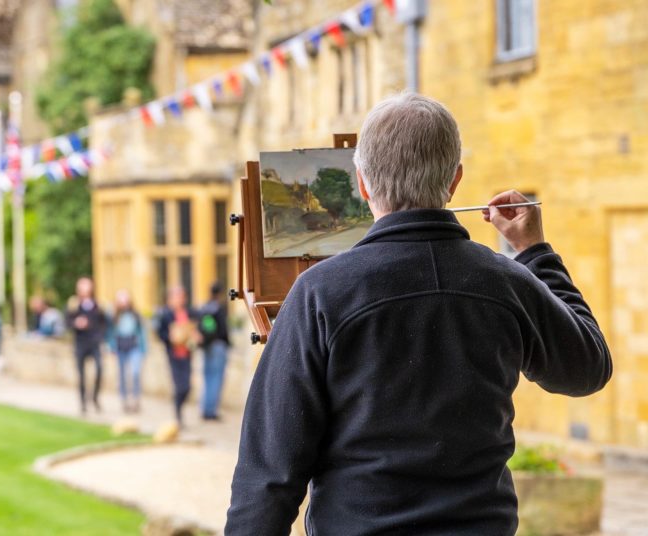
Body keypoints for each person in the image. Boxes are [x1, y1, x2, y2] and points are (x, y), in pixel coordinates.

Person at [226, 94, 612, 535]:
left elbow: (268, 477)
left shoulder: (319, 292)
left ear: (363, 184)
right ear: (455, 181)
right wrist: (536, 253)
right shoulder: (504, 281)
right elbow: (587, 368)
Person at [157, 286, 198, 426]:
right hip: (174, 354)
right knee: (179, 386)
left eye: (182, 296)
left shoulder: (189, 312)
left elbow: (197, 327)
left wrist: (195, 335)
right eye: (177, 296)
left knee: (187, 387)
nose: (180, 299)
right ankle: (178, 413)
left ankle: (179, 407)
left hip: (186, 353)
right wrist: (170, 337)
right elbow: (160, 333)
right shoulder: (166, 314)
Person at [66, 277, 107, 414]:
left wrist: (101, 337)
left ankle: (94, 397)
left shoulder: (97, 305)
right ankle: (83, 403)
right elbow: (67, 322)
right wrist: (76, 323)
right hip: (80, 343)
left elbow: (104, 324)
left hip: (94, 343)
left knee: (100, 369)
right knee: (81, 375)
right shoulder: (74, 305)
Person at [107, 289, 147, 413]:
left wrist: (144, 349)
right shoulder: (114, 316)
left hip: (134, 346)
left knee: (135, 373)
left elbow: (142, 332)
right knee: (122, 375)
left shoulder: (135, 315)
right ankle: (124, 400)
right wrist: (111, 347)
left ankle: (136, 398)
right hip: (120, 347)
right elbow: (110, 333)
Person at [198, 282, 230, 420]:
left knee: (207, 378)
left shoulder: (205, 307)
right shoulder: (218, 308)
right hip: (217, 346)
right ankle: (211, 411)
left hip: (206, 346)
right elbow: (223, 330)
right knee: (216, 378)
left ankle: (204, 408)